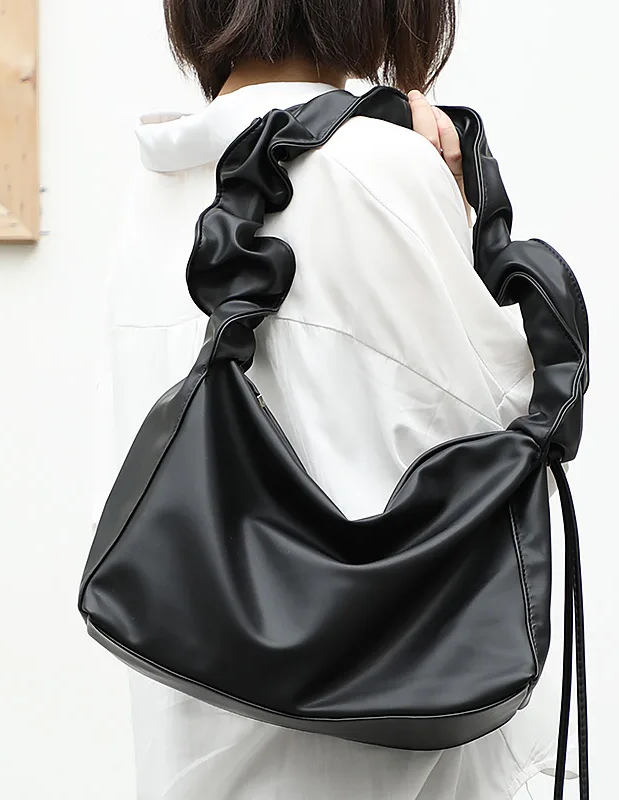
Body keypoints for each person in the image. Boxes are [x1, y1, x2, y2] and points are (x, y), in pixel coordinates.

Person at [93, 1, 576, 797]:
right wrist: (457, 214)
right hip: (378, 762)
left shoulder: (157, 190)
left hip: (204, 757)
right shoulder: (380, 169)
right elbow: (510, 429)